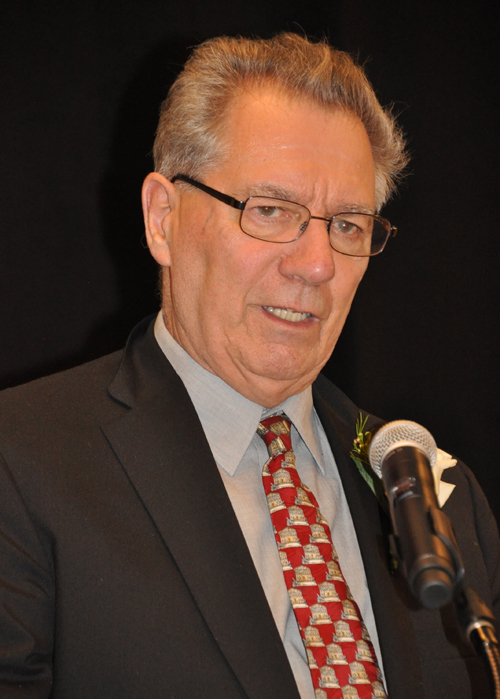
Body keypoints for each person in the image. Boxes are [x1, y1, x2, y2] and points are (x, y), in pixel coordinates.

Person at [0, 33, 498, 699]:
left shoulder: (442, 500)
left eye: (348, 225)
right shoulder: (23, 462)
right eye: (271, 211)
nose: (318, 264)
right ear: (163, 219)